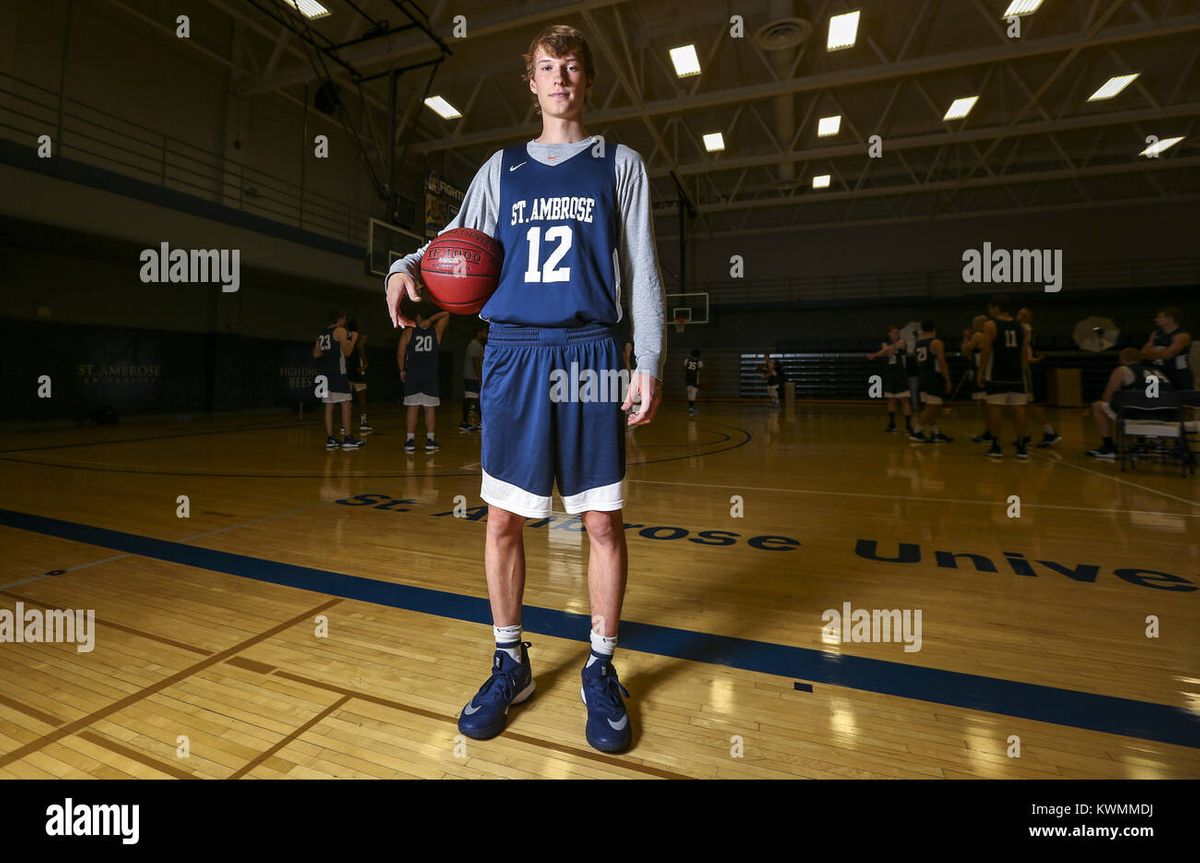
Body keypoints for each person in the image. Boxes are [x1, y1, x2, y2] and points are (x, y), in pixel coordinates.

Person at [383, 24, 665, 754]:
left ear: (588, 80)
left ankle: (601, 666)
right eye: (547, 67)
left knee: (600, 522)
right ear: (531, 83)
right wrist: (402, 266)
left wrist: (648, 358)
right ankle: (511, 661)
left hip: (592, 349)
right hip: (512, 353)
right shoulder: (501, 169)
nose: (560, 77)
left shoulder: (620, 164)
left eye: (571, 66)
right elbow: (452, 241)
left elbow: (642, 267)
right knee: (502, 520)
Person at [1086, 348, 1171, 459]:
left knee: (1098, 406)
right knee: (1139, 403)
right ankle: (1142, 444)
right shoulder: (1156, 371)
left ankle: (1108, 447)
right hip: (1166, 413)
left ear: (1122, 359)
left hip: (1140, 413)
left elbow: (1108, 396)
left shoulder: (1123, 370)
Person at [977, 294, 1028, 460]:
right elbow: (1024, 351)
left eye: (990, 308)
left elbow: (986, 349)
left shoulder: (990, 324)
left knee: (995, 408)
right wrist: (1023, 370)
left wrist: (981, 371)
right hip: (1016, 373)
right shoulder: (1022, 326)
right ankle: (1022, 446)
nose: (989, 310)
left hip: (997, 371)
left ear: (996, 308)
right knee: (1019, 408)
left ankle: (996, 446)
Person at [398, 309, 450, 453]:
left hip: (413, 374)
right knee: (430, 408)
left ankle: (410, 441)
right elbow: (446, 314)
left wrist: (402, 370)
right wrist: (431, 320)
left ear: (418, 316)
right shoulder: (436, 331)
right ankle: (430, 440)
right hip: (430, 375)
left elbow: (401, 353)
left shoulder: (408, 332)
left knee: (412, 408)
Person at [312, 310, 364, 451]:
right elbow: (347, 352)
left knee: (328, 406)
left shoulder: (322, 333)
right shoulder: (340, 331)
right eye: (344, 319)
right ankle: (348, 438)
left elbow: (316, 354)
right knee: (346, 404)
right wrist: (354, 338)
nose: (345, 322)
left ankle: (330, 438)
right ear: (340, 319)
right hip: (338, 373)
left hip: (325, 374)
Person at [1018, 308, 1061, 448]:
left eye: (1024, 314)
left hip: (1025, 370)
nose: (1020, 316)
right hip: (1020, 369)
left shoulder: (1024, 329)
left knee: (1029, 403)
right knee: (1021, 405)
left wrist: (1030, 359)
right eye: (1019, 313)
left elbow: (1025, 350)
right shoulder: (1020, 330)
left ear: (1029, 318)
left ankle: (1050, 432)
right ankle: (1025, 435)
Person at [909, 321, 952, 443]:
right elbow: (942, 363)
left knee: (929, 407)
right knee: (934, 406)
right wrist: (947, 380)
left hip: (922, 378)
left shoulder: (918, 344)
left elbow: (918, 362)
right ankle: (917, 431)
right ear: (934, 329)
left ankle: (936, 433)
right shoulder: (936, 343)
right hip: (933, 378)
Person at [867, 325, 912, 434]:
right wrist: (887, 349)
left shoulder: (903, 342)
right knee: (891, 400)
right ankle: (892, 424)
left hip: (900, 374)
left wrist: (876, 354)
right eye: (894, 332)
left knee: (904, 400)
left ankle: (908, 425)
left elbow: (889, 350)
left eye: (898, 332)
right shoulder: (885, 343)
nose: (896, 334)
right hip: (890, 374)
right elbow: (888, 353)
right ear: (889, 334)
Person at [1141, 307, 1193, 392]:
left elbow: (1168, 355)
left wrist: (1153, 352)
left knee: (1182, 398)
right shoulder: (1155, 334)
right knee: (1153, 396)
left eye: (1160, 317)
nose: (1156, 320)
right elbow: (1143, 353)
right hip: (1158, 372)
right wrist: (1161, 353)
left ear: (1170, 318)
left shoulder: (1182, 335)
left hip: (1178, 373)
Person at [962, 315, 992, 443]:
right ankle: (991, 430)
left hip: (981, 370)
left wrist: (966, 337)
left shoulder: (977, 335)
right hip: (990, 370)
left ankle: (990, 431)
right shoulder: (991, 336)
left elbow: (965, 351)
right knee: (989, 403)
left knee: (985, 404)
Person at [346, 319, 372, 434]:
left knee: (346, 399)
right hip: (357, 369)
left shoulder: (345, 336)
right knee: (362, 398)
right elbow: (360, 348)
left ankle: (344, 424)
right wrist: (365, 363)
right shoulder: (360, 336)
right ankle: (363, 423)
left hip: (347, 369)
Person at [461, 325, 486, 432]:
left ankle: (466, 422)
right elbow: (476, 363)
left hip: (472, 377)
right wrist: (480, 378)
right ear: (479, 333)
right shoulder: (475, 345)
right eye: (484, 333)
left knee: (472, 399)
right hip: (472, 377)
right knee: (473, 399)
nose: (486, 335)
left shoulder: (477, 345)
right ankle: (467, 422)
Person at [685, 348, 703, 415]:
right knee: (693, 394)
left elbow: (685, 365)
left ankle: (690, 407)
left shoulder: (687, 360)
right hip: (695, 379)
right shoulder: (699, 362)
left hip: (688, 378)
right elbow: (701, 367)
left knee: (689, 393)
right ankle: (691, 408)